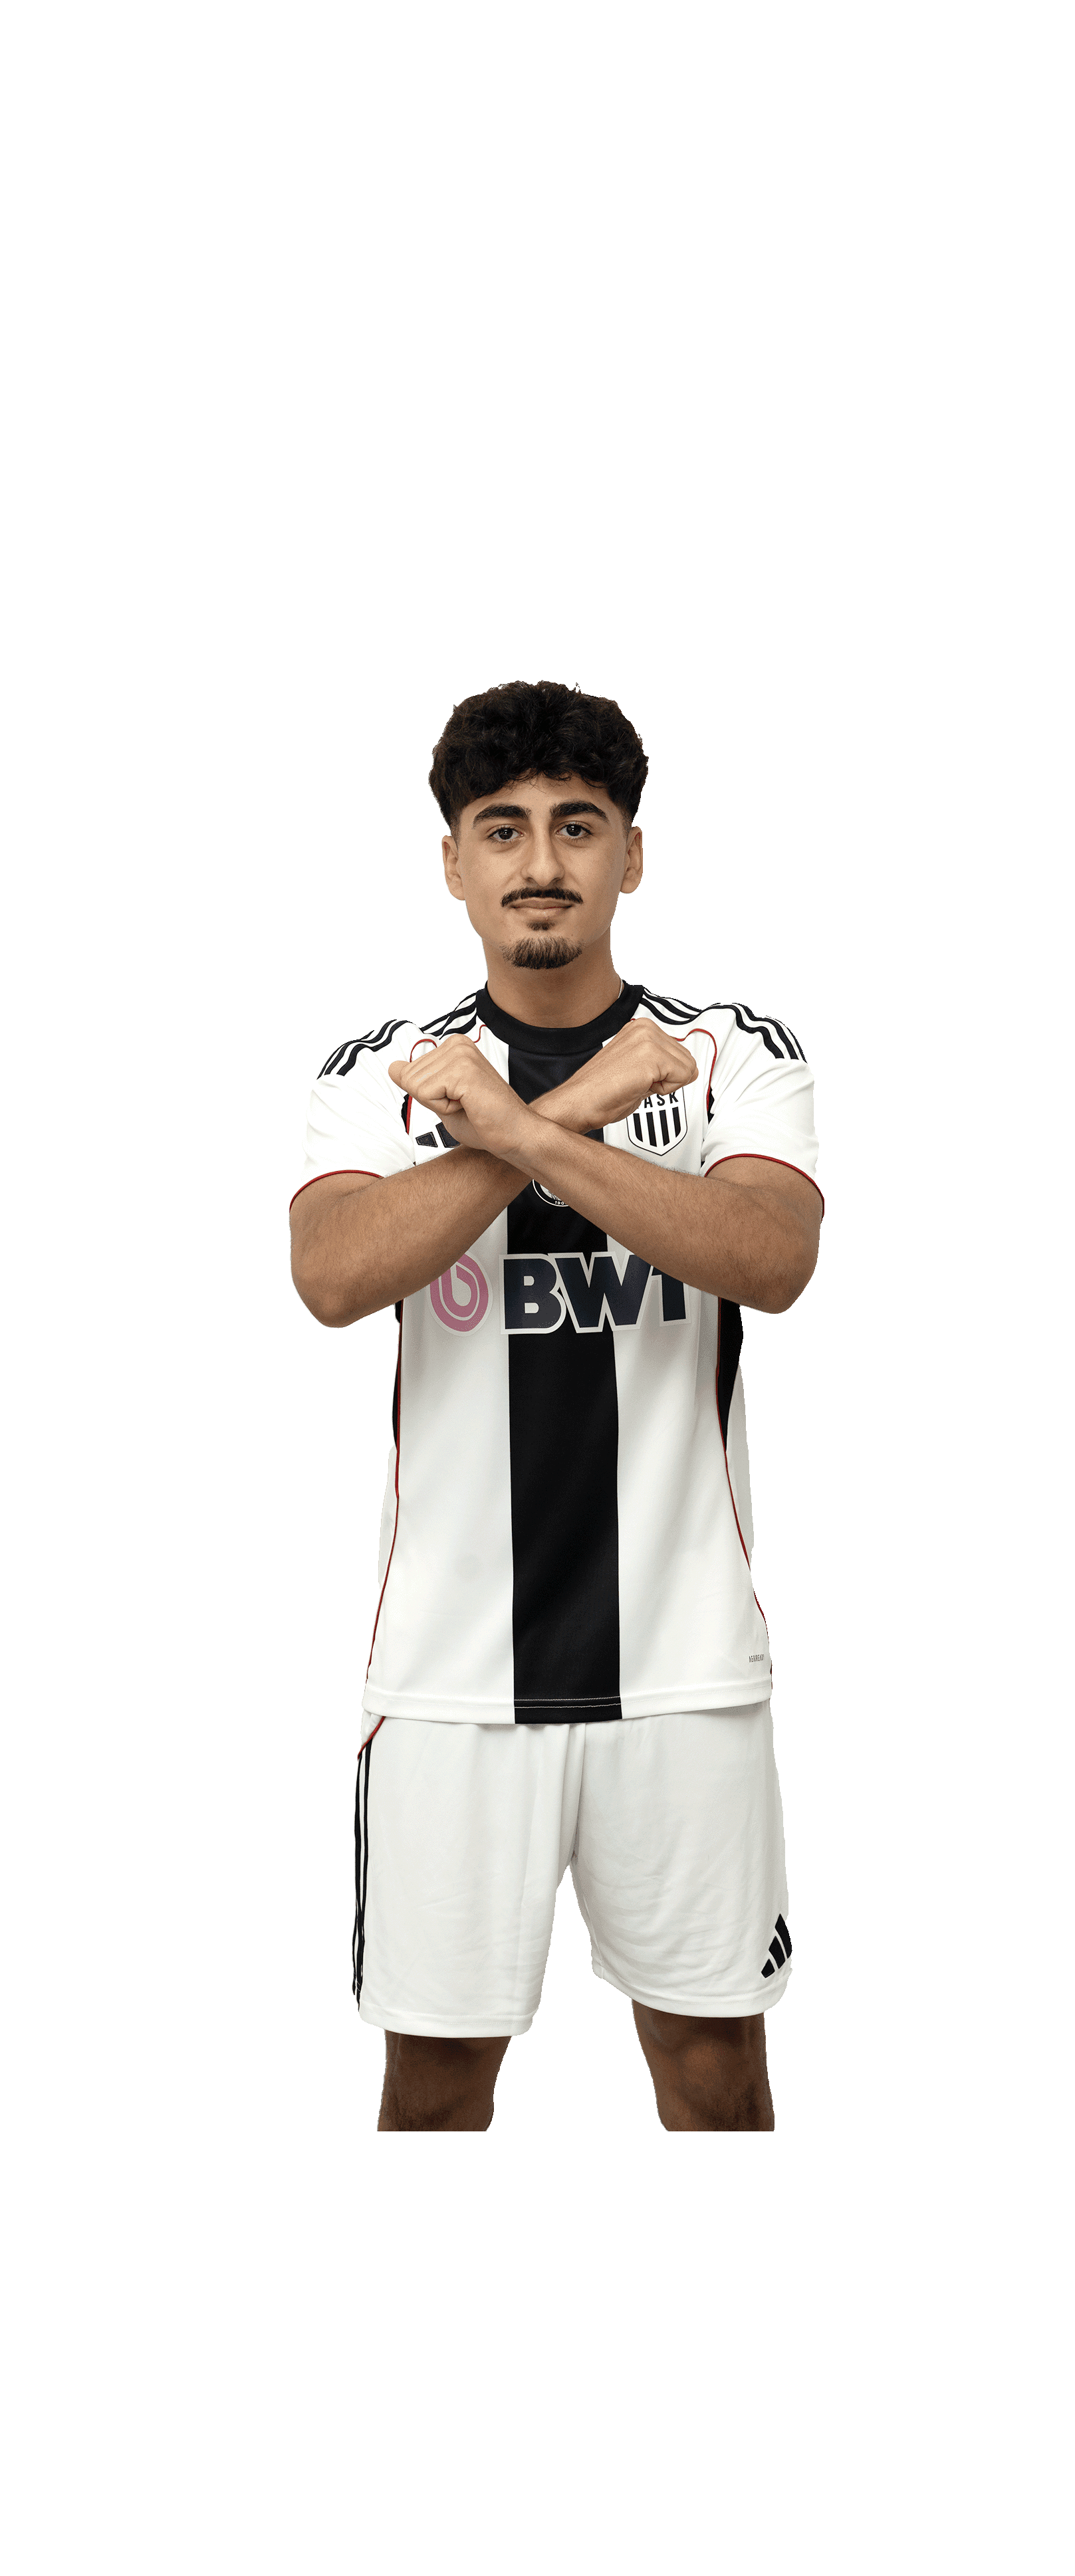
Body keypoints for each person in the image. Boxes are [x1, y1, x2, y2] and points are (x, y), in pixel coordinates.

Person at [289, 680, 822, 2132]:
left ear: (630, 857)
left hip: (686, 1664)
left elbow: (769, 1258)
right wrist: (572, 1110)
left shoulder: (730, 1054)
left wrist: (520, 1125)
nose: (541, 861)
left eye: (577, 827)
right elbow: (333, 1276)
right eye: (502, 827)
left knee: (712, 2067)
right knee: (436, 2084)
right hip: (453, 1675)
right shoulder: (386, 1077)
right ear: (452, 864)